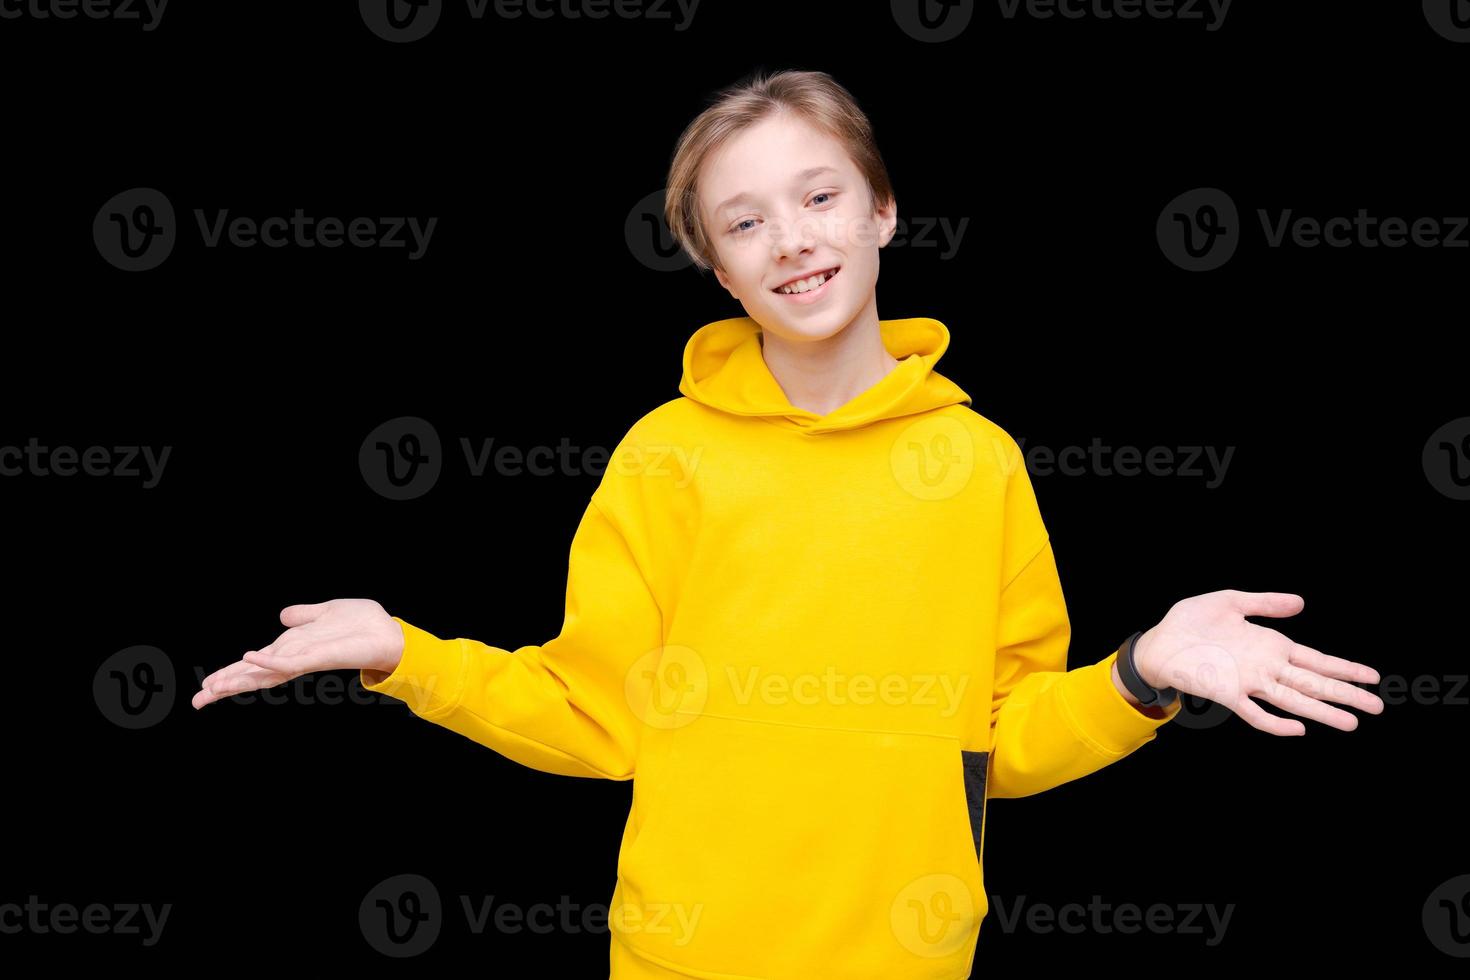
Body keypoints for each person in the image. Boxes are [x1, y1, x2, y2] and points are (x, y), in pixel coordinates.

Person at [193, 69, 1385, 979]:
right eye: (745, 220)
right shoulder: (665, 456)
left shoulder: (975, 461)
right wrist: (407, 654)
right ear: (716, 266)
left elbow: (1002, 742)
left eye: (819, 196)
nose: (794, 238)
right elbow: (597, 715)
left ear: (881, 212)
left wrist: (1142, 671)